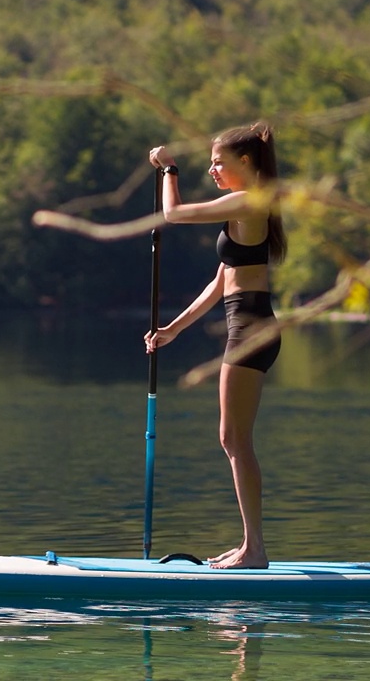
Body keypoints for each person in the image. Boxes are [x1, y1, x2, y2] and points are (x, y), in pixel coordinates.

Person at [144, 121, 287, 570]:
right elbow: (220, 281)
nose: (212, 169)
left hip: (250, 332)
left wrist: (169, 170)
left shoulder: (249, 202)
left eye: (219, 162)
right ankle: (252, 545)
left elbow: (174, 215)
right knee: (232, 438)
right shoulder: (240, 208)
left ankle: (255, 550)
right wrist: (175, 329)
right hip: (247, 329)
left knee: (235, 439)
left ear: (246, 163)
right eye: (209, 163)